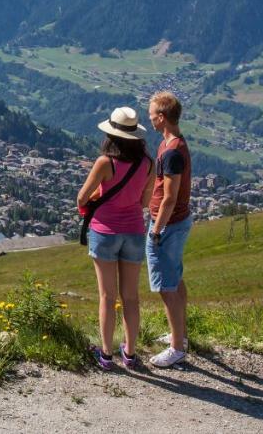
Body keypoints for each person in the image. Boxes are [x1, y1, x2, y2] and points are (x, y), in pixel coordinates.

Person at [77, 106, 153, 370]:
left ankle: (106, 355)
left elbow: (82, 198)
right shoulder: (147, 163)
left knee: (107, 297)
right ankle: (130, 354)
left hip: (105, 231)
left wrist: (101, 195)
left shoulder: (105, 162)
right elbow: (145, 201)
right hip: (134, 231)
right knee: (131, 297)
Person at [146, 90, 193, 368]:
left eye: (152, 114)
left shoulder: (172, 150)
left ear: (162, 117)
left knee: (166, 286)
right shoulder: (171, 144)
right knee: (175, 278)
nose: (149, 118)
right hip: (174, 222)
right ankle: (180, 335)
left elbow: (170, 197)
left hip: (169, 225)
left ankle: (177, 348)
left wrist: (156, 230)